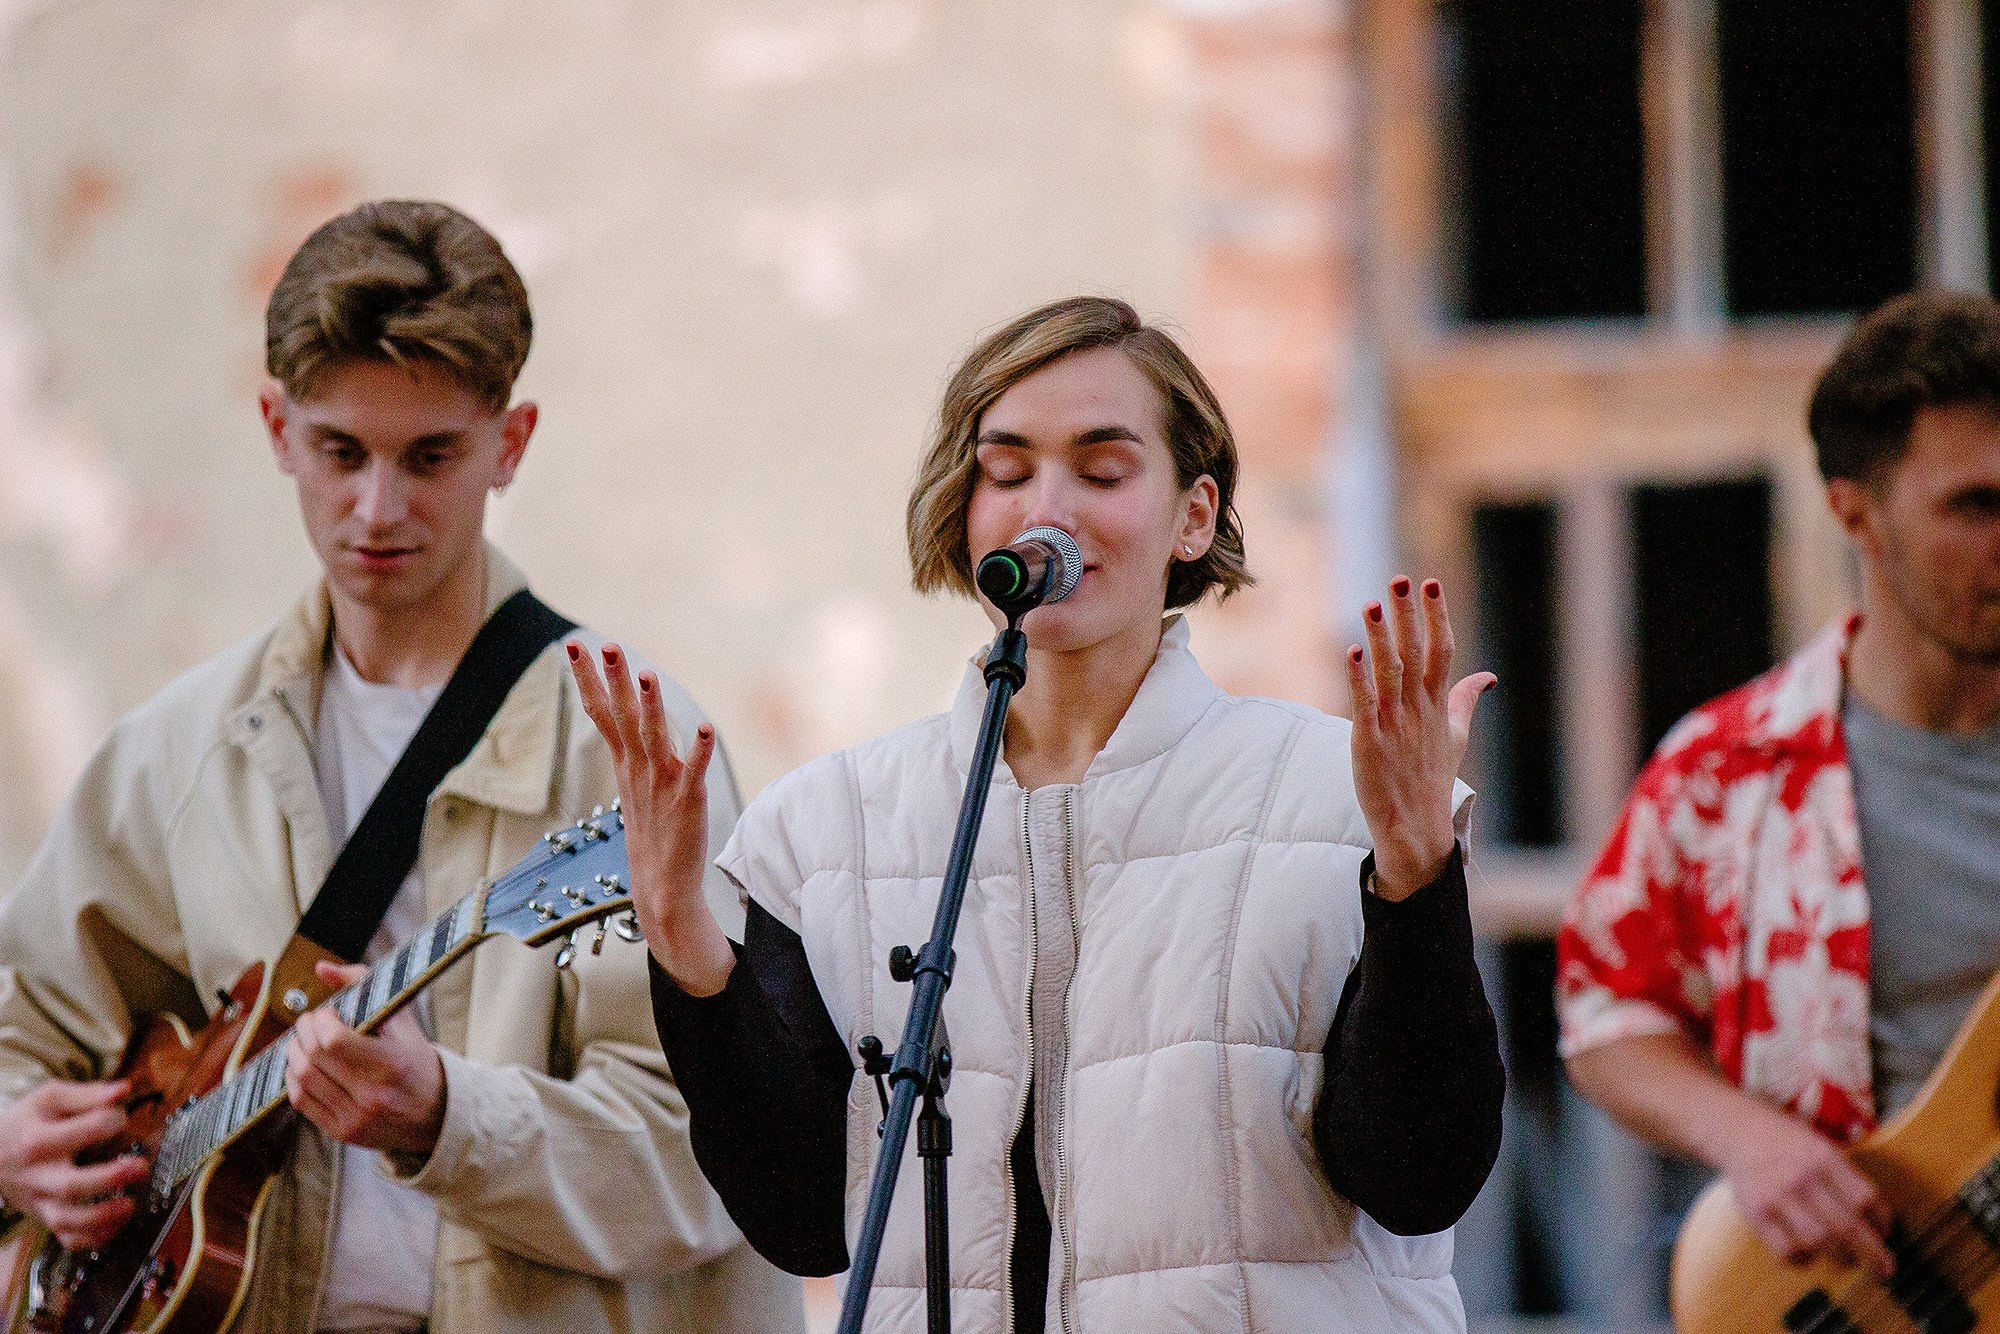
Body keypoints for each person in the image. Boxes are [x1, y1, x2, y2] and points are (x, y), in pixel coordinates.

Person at [572, 295, 1507, 1332]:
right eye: (1005, 471)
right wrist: (686, 946)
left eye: (1101, 471)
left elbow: (1419, 1175)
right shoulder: (819, 830)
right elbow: (804, 1222)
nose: (1043, 507)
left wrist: (1415, 873)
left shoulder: (1334, 795)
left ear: (1194, 515)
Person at [0, 201, 800, 1332]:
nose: (377, 508)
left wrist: (446, 1116)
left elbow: (714, 1159)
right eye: (339, 451)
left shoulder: (628, 746)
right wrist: (16, 1138)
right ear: (276, 428)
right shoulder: (176, 750)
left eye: (429, 456)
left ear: (509, 444)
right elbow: (24, 1019)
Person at [1557, 290, 2000, 1281]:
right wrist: (1746, 1138)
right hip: (1860, 1293)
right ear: (1855, 512)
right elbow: (1602, 1012)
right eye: (1975, 505)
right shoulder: (1724, 772)